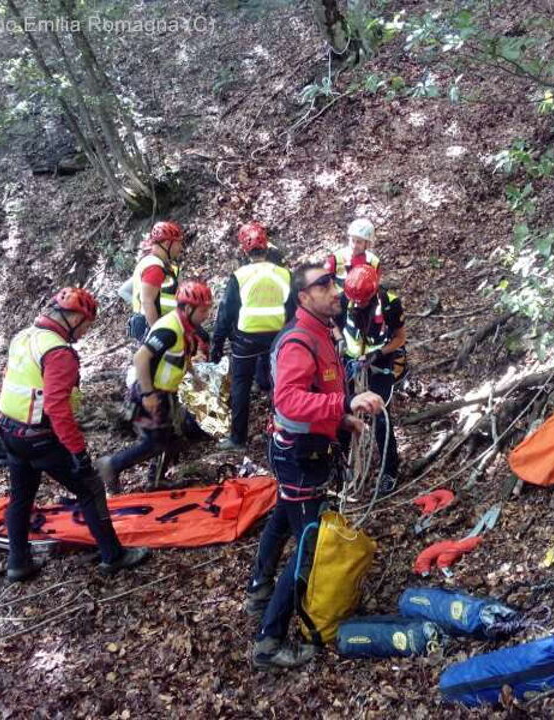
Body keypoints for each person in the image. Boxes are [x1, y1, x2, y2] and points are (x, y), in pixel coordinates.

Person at [247, 263, 385, 670]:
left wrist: (341, 419)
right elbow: (289, 401)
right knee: (309, 543)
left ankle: (259, 589)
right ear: (303, 297)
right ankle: (269, 641)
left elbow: (315, 392)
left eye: (332, 283)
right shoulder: (299, 340)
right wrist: (344, 403)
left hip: (302, 449)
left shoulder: (321, 333)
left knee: (283, 519)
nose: (334, 290)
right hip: (299, 454)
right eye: (322, 285)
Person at [0, 288, 150, 582]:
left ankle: (18, 562)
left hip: (11, 431)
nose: (85, 332)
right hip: (40, 438)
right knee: (90, 488)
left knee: (21, 497)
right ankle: (114, 556)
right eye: (86, 325)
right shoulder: (58, 352)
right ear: (74, 318)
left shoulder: (24, 337)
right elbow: (57, 408)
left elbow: (12, 379)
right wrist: (78, 452)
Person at [97, 280, 213, 492]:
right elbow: (141, 358)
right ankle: (112, 465)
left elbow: (183, 354)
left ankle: (156, 480)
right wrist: (148, 394)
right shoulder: (169, 329)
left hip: (166, 391)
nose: (207, 315)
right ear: (188, 308)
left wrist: (194, 376)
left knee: (172, 438)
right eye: (203, 311)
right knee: (153, 443)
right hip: (150, 390)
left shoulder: (186, 327)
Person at [211, 222, 295, 451]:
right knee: (279, 382)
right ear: (267, 247)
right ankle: (284, 430)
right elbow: (292, 309)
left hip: (246, 339)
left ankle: (238, 439)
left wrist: (217, 343)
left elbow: (226, 312)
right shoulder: (284, 274)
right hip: (276, 337)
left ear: (244, 251)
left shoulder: (240, 276)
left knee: (241, 384)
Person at [333, 265, 407, 495]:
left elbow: (400, 338)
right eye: (355, 301)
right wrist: (340, 340)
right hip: (350, 363)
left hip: (378, 365)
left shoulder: (390, 304)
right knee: (344, 412)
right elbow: (333, 323)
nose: (358, 304)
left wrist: (379, 353)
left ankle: (389, 470)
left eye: (363, 301)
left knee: (380, 417)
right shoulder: (343, 299)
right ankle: (341, 467)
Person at [128, 221, 184, 341]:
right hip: (150, 324)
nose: (181, 248)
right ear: (167, 243)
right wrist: (157, 333)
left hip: (156, 321)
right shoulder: (154, 267)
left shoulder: (157, 263)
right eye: (178, 243)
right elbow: (147, 302)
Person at [324, 217, 380, 287]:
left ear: (367, 244)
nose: (354, 245)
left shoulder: (373, 262)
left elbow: (375, 287)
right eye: (353, 240)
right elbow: (323, 284)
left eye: (359, 242)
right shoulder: (335, 259)